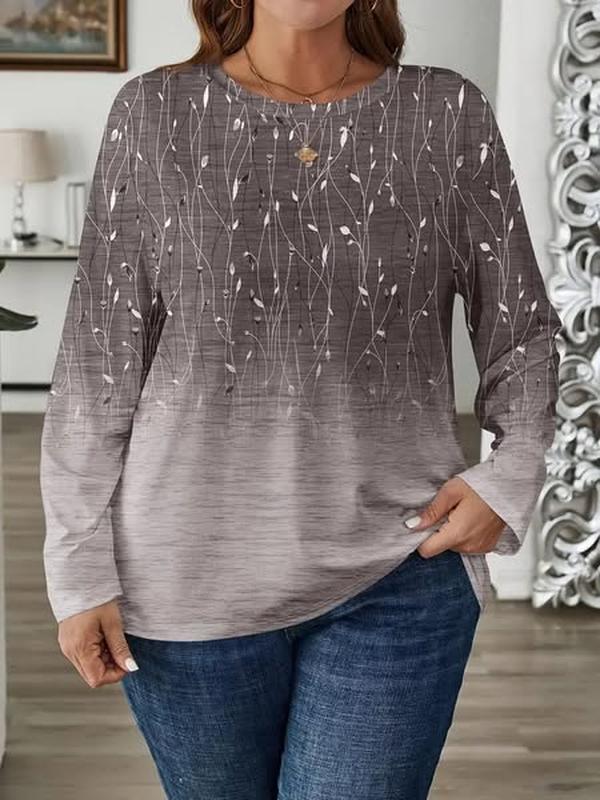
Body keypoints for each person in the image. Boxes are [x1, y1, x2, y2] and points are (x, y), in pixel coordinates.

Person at [39, 1, 563, 797]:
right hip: (185, 585)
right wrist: (77, 567)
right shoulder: (154, 114)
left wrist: (511, 473)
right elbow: (96, 361)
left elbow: (520, 329)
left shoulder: (446, 113)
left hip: (399, 569)